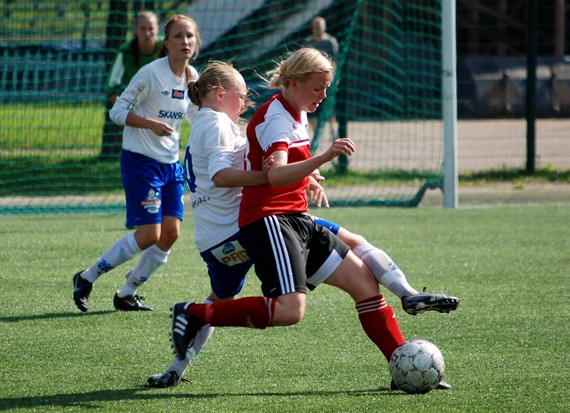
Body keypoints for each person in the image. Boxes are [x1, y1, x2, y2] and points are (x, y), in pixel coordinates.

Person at [166, 48, 456, 389]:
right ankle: (191, 317)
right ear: (219, 95)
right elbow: (232, 175)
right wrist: (296, 169)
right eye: (241, 96)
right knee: (286, 306)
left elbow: (256, 164)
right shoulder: (222, 122)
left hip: (236, 231)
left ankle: (402, 345)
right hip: (247, 227)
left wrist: (301, 176)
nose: (245, 104)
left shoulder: (229, 119)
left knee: (362, 280)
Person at [72, 14, 201, 312]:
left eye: (190, 36)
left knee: (171, 233)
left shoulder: (192, 76)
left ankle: (127, 293)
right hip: (141, 162)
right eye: (178, 36)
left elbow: (196, 116)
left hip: (171, 165)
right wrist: (149, 124)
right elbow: (116, 112)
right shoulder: (150, 74)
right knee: (149, 235)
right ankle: (87, 277)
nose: (185, 41)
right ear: (166, 43)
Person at [101, 11, 163, 158]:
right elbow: (112, 86)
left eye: (151, 28)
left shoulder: (167, 49)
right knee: (139, 151)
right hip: (137, 106)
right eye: (143, 28)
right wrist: (126, 113)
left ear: (157, 29)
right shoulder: (126, 51)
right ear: (135, 30)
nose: (147, 33)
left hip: (163, 104)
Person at [304, 16, 339, 138]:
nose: (318, 28)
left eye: (320, 25)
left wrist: (335, 78)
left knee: (329, 108)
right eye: (316, 25)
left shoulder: (330, 42)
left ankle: (334, 134)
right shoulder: (308, 42)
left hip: (327, 82)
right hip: (312, 83)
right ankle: (316, 136)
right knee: (311, 109)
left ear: (324, 27)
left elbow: (336, 61)